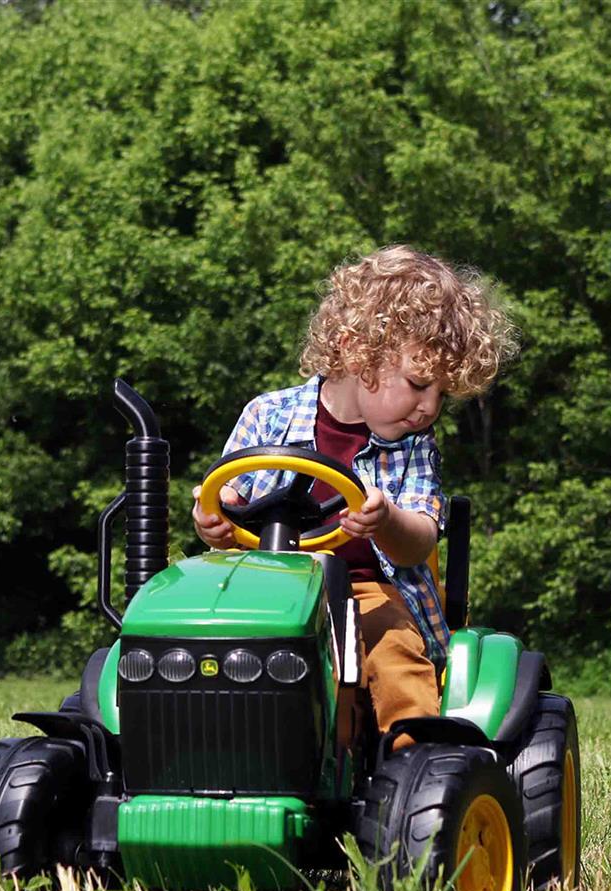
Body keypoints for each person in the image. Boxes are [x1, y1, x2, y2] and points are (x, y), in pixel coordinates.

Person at [192, 245, 516, 746]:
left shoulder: (413, 448)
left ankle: (415, 767)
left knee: (395, 658)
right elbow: (224, 499)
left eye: (441, 394)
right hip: (264, 588)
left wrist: (386, 519)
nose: (428, 407)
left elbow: (418, 541)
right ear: (354, 349)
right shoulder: (267, 415)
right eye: (418, 383)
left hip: (366, 594)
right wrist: (211, 519)